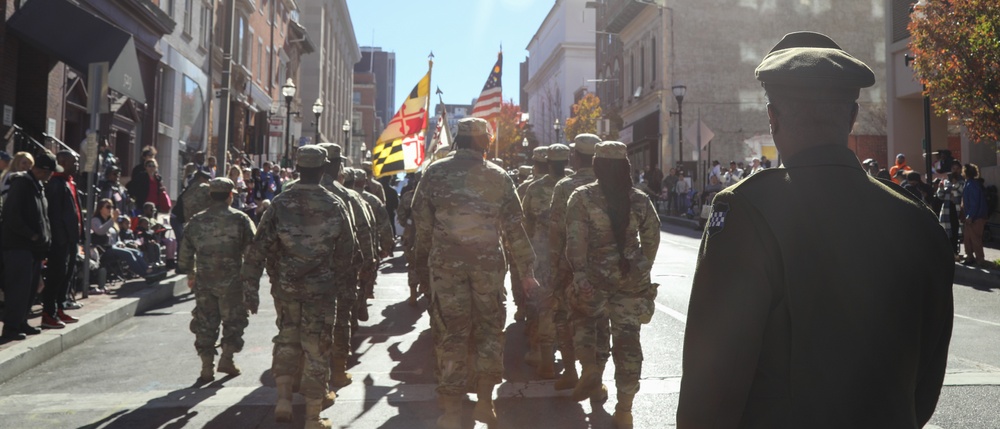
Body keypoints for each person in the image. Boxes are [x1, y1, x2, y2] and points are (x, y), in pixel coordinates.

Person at [677, 32, 954, 428]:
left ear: (772, 119)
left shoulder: (748, 211)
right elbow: (925, 384)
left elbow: (711, 390)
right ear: (852, 117)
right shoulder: (917, 220)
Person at [411, 118, 538, 429]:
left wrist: (419, 267)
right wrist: (527, 272)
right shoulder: (499, 177)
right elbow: (514, 230)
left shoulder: (434, 173)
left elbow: (421, 225)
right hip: (487, 269)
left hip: (445, 267)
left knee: (450, 334)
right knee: (489, 332)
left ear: (458, 140)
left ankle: (452, 411)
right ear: (485, 142)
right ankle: (484, 401)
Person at [242, 145, 355, 428]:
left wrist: (251, 290)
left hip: (287, 288)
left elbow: (257, 250)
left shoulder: (280, 203)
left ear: (299, 168)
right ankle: (313, 417)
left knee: (287, 338)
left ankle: (282, 400)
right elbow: (348, 252)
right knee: (316, 348)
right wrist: (341, 286)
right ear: (322, 169)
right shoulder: (335, 204)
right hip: (321, 290)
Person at [565, 142, 660, 428]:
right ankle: (625, 411)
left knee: (584, 320)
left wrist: (580, 275)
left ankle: (591, 368)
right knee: (628, 343)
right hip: (631, 280)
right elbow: (652, 238)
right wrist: (642, 268)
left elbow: (575, 241)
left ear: (596, 166)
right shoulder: (640, 199)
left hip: (594, 278)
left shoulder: (581, 198)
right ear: (626, 167)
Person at [548, 133, 612, 400]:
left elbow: (555, 232)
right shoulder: (609, 185)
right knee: (601, 321)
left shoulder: (565, 186)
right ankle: (596, 378)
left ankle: (574, 371)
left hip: (570, 265)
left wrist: (552, 267)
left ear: (575, 156)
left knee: (565, 316)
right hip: (604, 267)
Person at [177, 178, 257, 382]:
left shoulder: (197, 220)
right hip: (232, 282)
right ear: (230, 196)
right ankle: (227, 358)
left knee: (205, 323)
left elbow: (185, 254)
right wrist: (251, 282)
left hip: (205, 281)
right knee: (234, 321)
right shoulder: (240, 219)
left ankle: (206, 367)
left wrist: (191, 273)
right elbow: (252, 254)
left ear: (210, 196)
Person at [314, 143, 369, 389]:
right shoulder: (348, 196)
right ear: (337, 166)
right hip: (339, 274)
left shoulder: (289, 192)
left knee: (300, 325)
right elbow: (362, 235)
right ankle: (337, 371)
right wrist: (364, 266)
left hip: (296, 276)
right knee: (340, 322)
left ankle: (301, 376)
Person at [521, 144, 570, 379]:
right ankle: (574, 365)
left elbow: (526, 224)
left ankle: (546, 360)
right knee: (574, 309)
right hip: (575, 257)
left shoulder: (535, 188)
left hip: (545, 256)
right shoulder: (578, 186)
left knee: (546, 309)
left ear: (548, 163)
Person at [1, 151, 57, 341]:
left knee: (30, 289)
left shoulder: (37, 186)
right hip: (19, 247)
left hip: (33, 249)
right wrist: (32, 235)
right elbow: (12, 216)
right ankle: (11, 327)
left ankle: (22, 322)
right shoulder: (22, 184)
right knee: (18, 288)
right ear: (42, 170)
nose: (51, 176)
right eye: (49, 172)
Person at [41, 151, 83, 329]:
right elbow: (55, 215)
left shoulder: (69, 182)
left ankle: (59, 308)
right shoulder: (55, 184)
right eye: (74, 162)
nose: (77, 165)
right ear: (62, 161)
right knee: (56, 275)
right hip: (61, 240)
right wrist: (60, 239)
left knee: (66, 275)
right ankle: (48, 313)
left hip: (71, 238)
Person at [92, 199, 149, 279]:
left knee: (135, 252)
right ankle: (144, 274)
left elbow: (116, 236)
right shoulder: (96, 220)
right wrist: (112, 219)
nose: (110, 209)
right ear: (100, 208)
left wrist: (119, 242)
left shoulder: (111, 221)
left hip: (114, 247)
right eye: (108, 207)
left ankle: (148, 271)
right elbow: (100, 231)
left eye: (112, 207)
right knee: (128, 254)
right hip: (103, 249)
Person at [962, 163, 989, 267]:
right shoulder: (971, 184)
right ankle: (970, 257)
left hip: (975, 217)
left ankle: (980, 259)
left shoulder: (971, 185)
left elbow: (974, 202)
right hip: (974, 216)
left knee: (975, 239)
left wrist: (970, 216)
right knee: (967, 238)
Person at [936, 162, 965, 256]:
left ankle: (955, 252)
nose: (955, 170)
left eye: (957, 168)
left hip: (958, 210)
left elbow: (962, 192)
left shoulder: (963, 181)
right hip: (947, 210)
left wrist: (955, 184)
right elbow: (940, 196)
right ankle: (950, 252)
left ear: (960, 170)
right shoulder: (946, 181)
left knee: (957, 231)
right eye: (953, 168)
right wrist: (940, 188)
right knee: (948, 232)